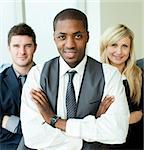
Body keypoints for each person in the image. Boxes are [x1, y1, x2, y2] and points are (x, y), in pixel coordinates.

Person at [21, 8, 129, 150]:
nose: (70, 44)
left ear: (87, 37)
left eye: (77, 36)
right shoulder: (37, 74)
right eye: (62, 37)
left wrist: (56, 121)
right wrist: (89, 134)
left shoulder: (110, 75)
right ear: (54, 38)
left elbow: (117, 132)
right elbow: (33, 137)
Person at [100, 24, 143, 149]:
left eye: (124, 46)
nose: (119, 52)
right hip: (105, 144)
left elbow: (140, 114)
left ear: (130, 49)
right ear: (105, 47)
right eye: (114, 45)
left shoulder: (139, 75)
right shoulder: (94, 76)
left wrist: (110, 119)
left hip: (135, 142)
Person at [0, 23, 37, 150]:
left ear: (35, 48)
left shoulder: (49, 78)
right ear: (9, 48)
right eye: (16, 46)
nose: (22, 52)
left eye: (28, 46)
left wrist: (8, 122)